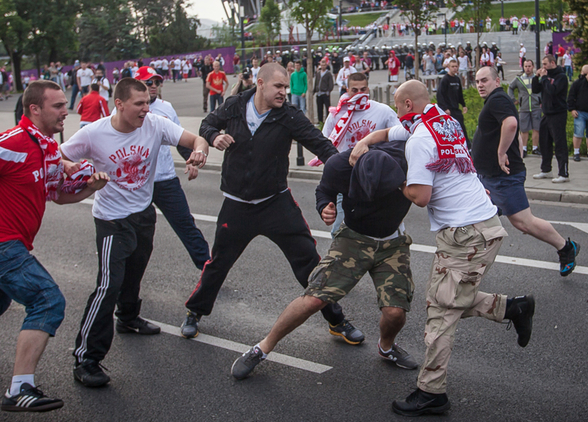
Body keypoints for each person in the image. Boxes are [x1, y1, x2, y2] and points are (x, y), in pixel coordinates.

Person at [352, 80, 535, 416]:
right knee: (444, 299)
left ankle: (431, 392)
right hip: (478, 226)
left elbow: (421, 196)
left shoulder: (420, 139)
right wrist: (365, 141)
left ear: (407, 104)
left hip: (466, 235)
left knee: (441, 313)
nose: (396, 112)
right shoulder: (442, 121)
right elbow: (390, 132)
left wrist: (396, 182)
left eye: (397, 105)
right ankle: (513, 308)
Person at [0, 80, 109, 412]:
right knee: (47, 300)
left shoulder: (48, 147)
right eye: (58, 105)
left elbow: (57, 196)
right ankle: (19, 389)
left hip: (4, 245)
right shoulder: (10, 142)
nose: (66, 110)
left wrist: (89, 189)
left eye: (64, 104)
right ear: (35, 109)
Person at [180, 63, 364, 345]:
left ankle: (337, 321)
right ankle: (195, 312)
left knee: (309, 263)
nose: (283, 92)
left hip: (275, 203)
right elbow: (207, 125)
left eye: (285, 87)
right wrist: (215, 137)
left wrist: (352, 172)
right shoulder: (235, 105)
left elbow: (322, 146)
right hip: (237, 205)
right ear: (260, 83)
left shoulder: (289, 115)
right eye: (278, 86)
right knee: (218, 263)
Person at [61, 78, 209, 388]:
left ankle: (128, 319)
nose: (145, 109)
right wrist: (75, 169)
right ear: (119, 104)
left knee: (134, 274)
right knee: (108, 286)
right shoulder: (94, 133)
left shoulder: (155, 124)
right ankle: (86, 359)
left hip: (143, 214)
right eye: (139, 104)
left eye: (147, 103)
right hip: (112, 220)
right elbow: (57, 157)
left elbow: (196, 139)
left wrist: (199, 151)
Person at [230, 141, 418, 381]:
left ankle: (387, 347)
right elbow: (324, 190)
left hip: (393, 243)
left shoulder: (412, 158)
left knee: (395, 312)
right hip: (354, 239)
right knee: (314, 298)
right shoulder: (339, 165)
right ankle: (262, 348)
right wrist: (324, 207)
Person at [474, 66, 580, 276]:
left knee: (524, 222)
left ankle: (565, 248)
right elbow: (513, 131)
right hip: (489, 176)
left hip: (502, 176)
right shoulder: (497, 100)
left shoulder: (497, 99)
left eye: (484, 80)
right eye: (477, 81)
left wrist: (502, 153)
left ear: (497, 81)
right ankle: (473, 265)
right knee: (476, 219)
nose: (480, 85)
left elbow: (511, 124)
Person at [135, 65, 210, 270]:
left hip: (165, 179)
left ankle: (208, 269)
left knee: (185, 224)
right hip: (137, 183)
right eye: (148, 82)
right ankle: (129, 279)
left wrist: (191, 159)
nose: (154, 86)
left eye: (157, 82)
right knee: (138, 234)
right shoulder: (123, 110)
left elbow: (179, 139)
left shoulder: (166, 108)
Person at [312, 72, 400, 236]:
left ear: (368, 89)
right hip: (346, 179)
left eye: (363, 89)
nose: (360, 94)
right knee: (340, 231)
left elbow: (400, 138)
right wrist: (335, 167)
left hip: (374, 178)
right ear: (346, 90)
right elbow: (324, 143)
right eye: (355, 90)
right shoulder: (337, 114)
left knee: (386, 228)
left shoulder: (383, 111)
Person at [532, 55, 570, 183]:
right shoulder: (545, 77)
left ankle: (563, 173)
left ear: (552, 63)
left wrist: (544, 78)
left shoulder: (561, 77)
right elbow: (536, 90)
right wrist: (536, 77)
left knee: (559, 143)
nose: (543, 67)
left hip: (558, 113)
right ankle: (546, 169)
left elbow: (552, 91)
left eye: (545, 64)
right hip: (546, 113)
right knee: (544, 142)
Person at [567, 65, 588, 161]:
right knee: (578, 133)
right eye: (585, 74)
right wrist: (572, 109)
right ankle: (576, 152)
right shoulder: (577, 83)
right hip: (580, 112)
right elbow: (571, 97)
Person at [508, 60, 542, 155]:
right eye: (526, 66)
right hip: (524, 107)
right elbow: (510, 87)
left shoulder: (537, 78)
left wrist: (542, 100)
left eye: (529, 66)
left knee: (536, 128)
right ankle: (524, 148)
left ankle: (535, 148)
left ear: (533, 67)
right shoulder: (519, 79)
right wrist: (513, 99)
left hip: (536, 106)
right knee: (524, 129)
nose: (527, 68)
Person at [435, 59, 469, 146]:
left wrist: (463, 105)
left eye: (456, 66)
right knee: (450, 130)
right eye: (452, 66)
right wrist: (444, 108)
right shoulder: (445, 80)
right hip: (448, 109)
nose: (454, 68)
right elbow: (440, 95)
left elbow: (460, 94)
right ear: (449, 67)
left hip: (456, 108)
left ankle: (467, 145)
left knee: (461, 127)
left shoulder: (457, 79)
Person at [313, 59, 334, 125]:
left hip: (325, 93)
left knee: (327, 108)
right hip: (319, 93)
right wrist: (314, 90)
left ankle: (328, 121)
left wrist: (328, 91)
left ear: (326, 65)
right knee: (319, 108)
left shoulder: (328, 74)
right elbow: (316, 82)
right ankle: (320, 121)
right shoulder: (318, 73)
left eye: (324, 65)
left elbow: (331, 84)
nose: (323, 66)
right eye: (321, 65)